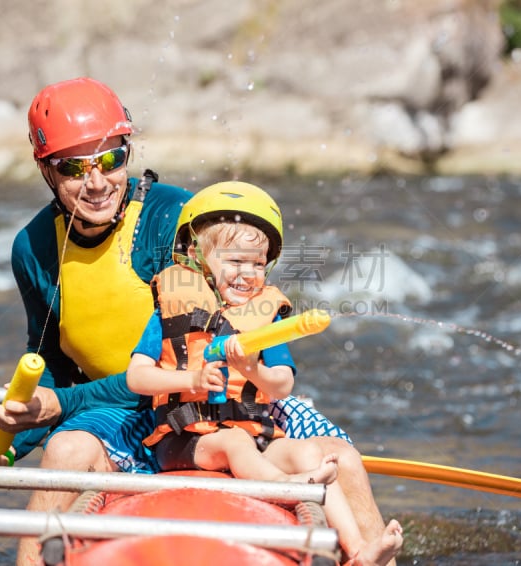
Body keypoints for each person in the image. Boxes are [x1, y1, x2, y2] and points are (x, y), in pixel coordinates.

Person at [0, 77, 390, 565]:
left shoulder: (176, 220)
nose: (97, 183)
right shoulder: (32, 248)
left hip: (213, 393)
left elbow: (224, 321)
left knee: (344, 461)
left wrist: (64, 403)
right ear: (45, 171)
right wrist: (11, 443)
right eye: (73, 167)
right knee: (65, 453)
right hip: (122, 407)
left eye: (111, 159)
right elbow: (52, 363)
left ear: (128, 149)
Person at [126, 180, 403, 565]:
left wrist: (252, 369)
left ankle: (358, 551)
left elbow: (282, 384)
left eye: (258, 264)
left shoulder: (262, 318)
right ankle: (284, 488)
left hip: (252, 435)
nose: (248, 274)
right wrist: (188, 380)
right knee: (234, 445)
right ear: (197, 257)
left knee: (309, 453)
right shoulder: (168, 311)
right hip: (184, 442)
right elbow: (137, 377)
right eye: (235, 262)